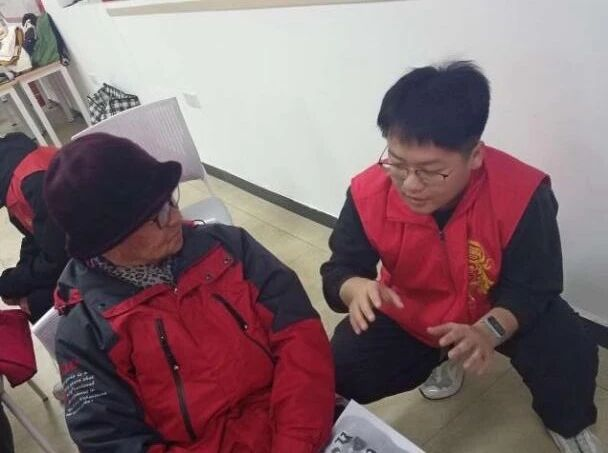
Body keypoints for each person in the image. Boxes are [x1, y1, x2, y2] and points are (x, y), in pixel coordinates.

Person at [320, 61, 602, 452]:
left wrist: (487, 331)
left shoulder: (521, 193)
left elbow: (534, 286)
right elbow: (340, 268)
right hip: (411, 310)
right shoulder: (368, 192)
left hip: (495, 306)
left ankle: (567, 423)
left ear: (475, 156)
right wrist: (355, 288)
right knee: (337, 367)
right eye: (397, 163)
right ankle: (442, 358)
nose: (410, 184)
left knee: (569, 349)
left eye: (431, 171)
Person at [43, 133, 335, 452]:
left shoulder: (229, 247)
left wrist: (294, 443)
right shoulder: (86, 333)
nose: (176, 218)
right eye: (157, 216)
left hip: (299, 429)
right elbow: (113, 443)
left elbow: (300, 338)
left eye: (170, 200)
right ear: (109, 240)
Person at [0, 132, 67, 322]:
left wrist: (15, 282)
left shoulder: (32, 182)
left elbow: (59, 257)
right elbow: (36, 236)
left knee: (37, 303)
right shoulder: (12, 171)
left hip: (115, 255)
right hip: (83, 248)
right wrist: (16, 278)